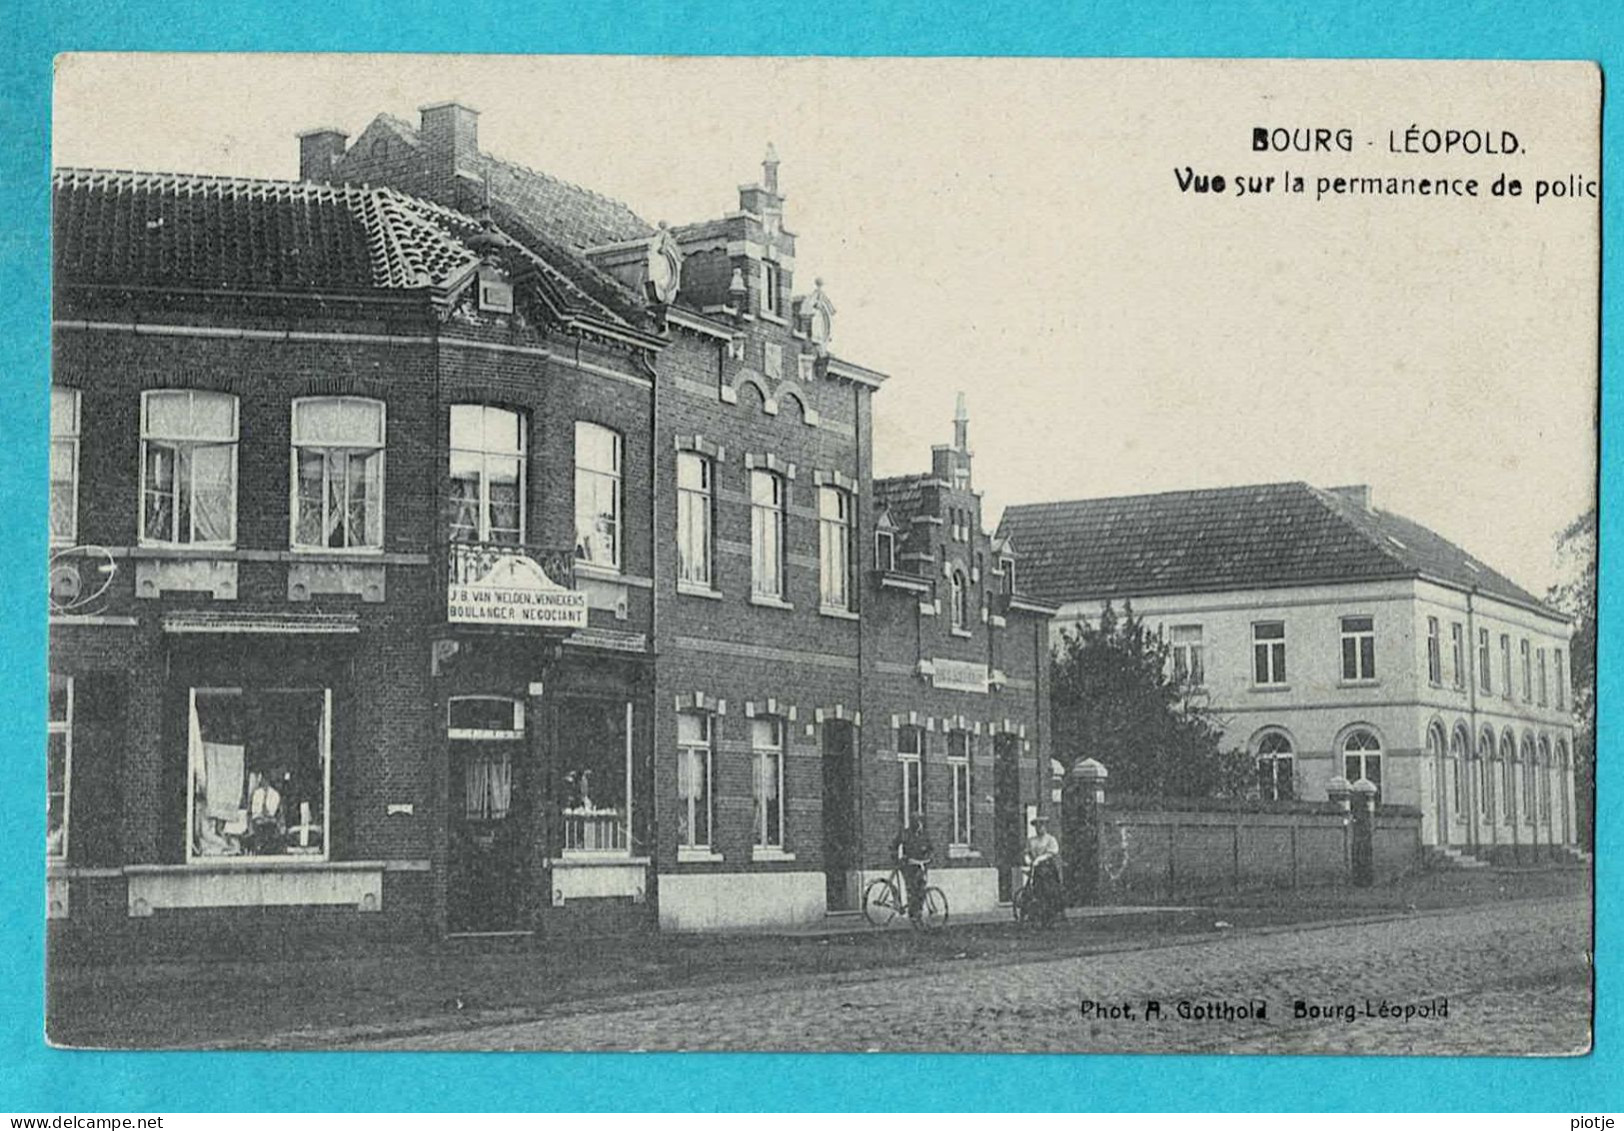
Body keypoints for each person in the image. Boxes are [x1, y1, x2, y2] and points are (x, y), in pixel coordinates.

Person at [891, 812, 934, 922]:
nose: (916, 823)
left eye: (917, 821)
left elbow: (931, 848)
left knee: (920, 889)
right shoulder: (905, 833)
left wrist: (929, 858)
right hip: (909, 865)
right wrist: (896, 859)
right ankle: (913, 913)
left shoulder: (923, 834)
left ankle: (917, 912)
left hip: (920, 865)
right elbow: (894, 845)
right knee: (913, 888)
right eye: (913, 821)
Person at [1025, 815, 1063, 917]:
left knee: (1049, 888)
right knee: (1030, 886)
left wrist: (1039, 859)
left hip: (1047, 866)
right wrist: (1028, 859)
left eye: (1041, 826)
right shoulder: (1031, 840)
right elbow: (1027, 852)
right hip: (1035, 867)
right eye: (1037, 826)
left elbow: (1052, 853)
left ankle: (1052, 910)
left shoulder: (1050, 839)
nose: (1039, 828)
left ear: (1045, 827)